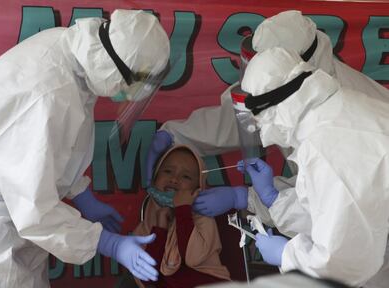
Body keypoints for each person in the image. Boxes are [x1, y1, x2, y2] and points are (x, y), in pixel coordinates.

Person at [0, 9, 170, 287]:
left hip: (10, 209)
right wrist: (107, 243)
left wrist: (80, 193)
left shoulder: (74, 55)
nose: (125, 96)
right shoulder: (46, 96)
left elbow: (54, 147)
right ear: (118, 71)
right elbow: (34, 212)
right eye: (130, 88)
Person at [146, 9, 389, 218]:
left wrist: (252, 199)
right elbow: (244, 118)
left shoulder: (339, 125)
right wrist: (175, 135)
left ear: (295, 69)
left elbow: (327, 211)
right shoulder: (298, 93)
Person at [238, 46, 389, 287]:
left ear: (270, 112)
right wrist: (274, 199)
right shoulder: (339, 109)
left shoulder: (327, 146)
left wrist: (288, 256)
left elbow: (343, 262)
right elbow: (336, 214)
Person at [133, 145, 231, 288]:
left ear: (198, 188)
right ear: (155, 178)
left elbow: (193, 258)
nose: (174, 179)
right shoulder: (145, 228)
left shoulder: (203, 218)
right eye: (167, 171)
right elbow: (146, 279)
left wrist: (183, 210)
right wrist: (160, 229)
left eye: (186, 176)